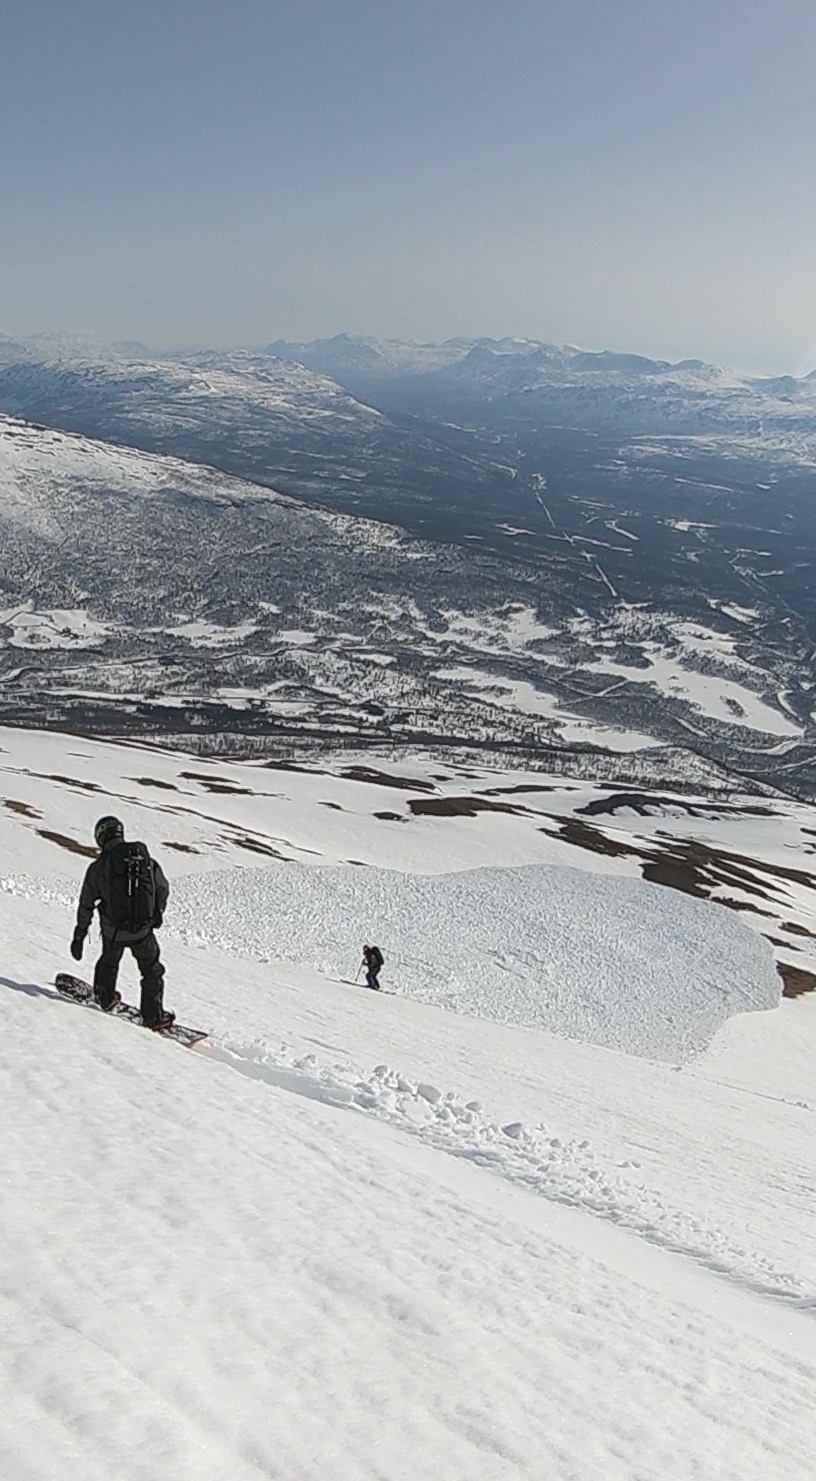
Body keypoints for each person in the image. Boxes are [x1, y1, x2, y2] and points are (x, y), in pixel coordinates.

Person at [70, 815, 174, 1030]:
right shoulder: (145, 860)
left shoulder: (98, 868)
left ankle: (105, 997)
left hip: (113, 931)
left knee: (109, 962)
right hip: (143, 930)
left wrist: (80, 933)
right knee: (152, 970)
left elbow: (86, 903)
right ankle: (153, 1016)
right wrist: (157, 912)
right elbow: (162, 888)